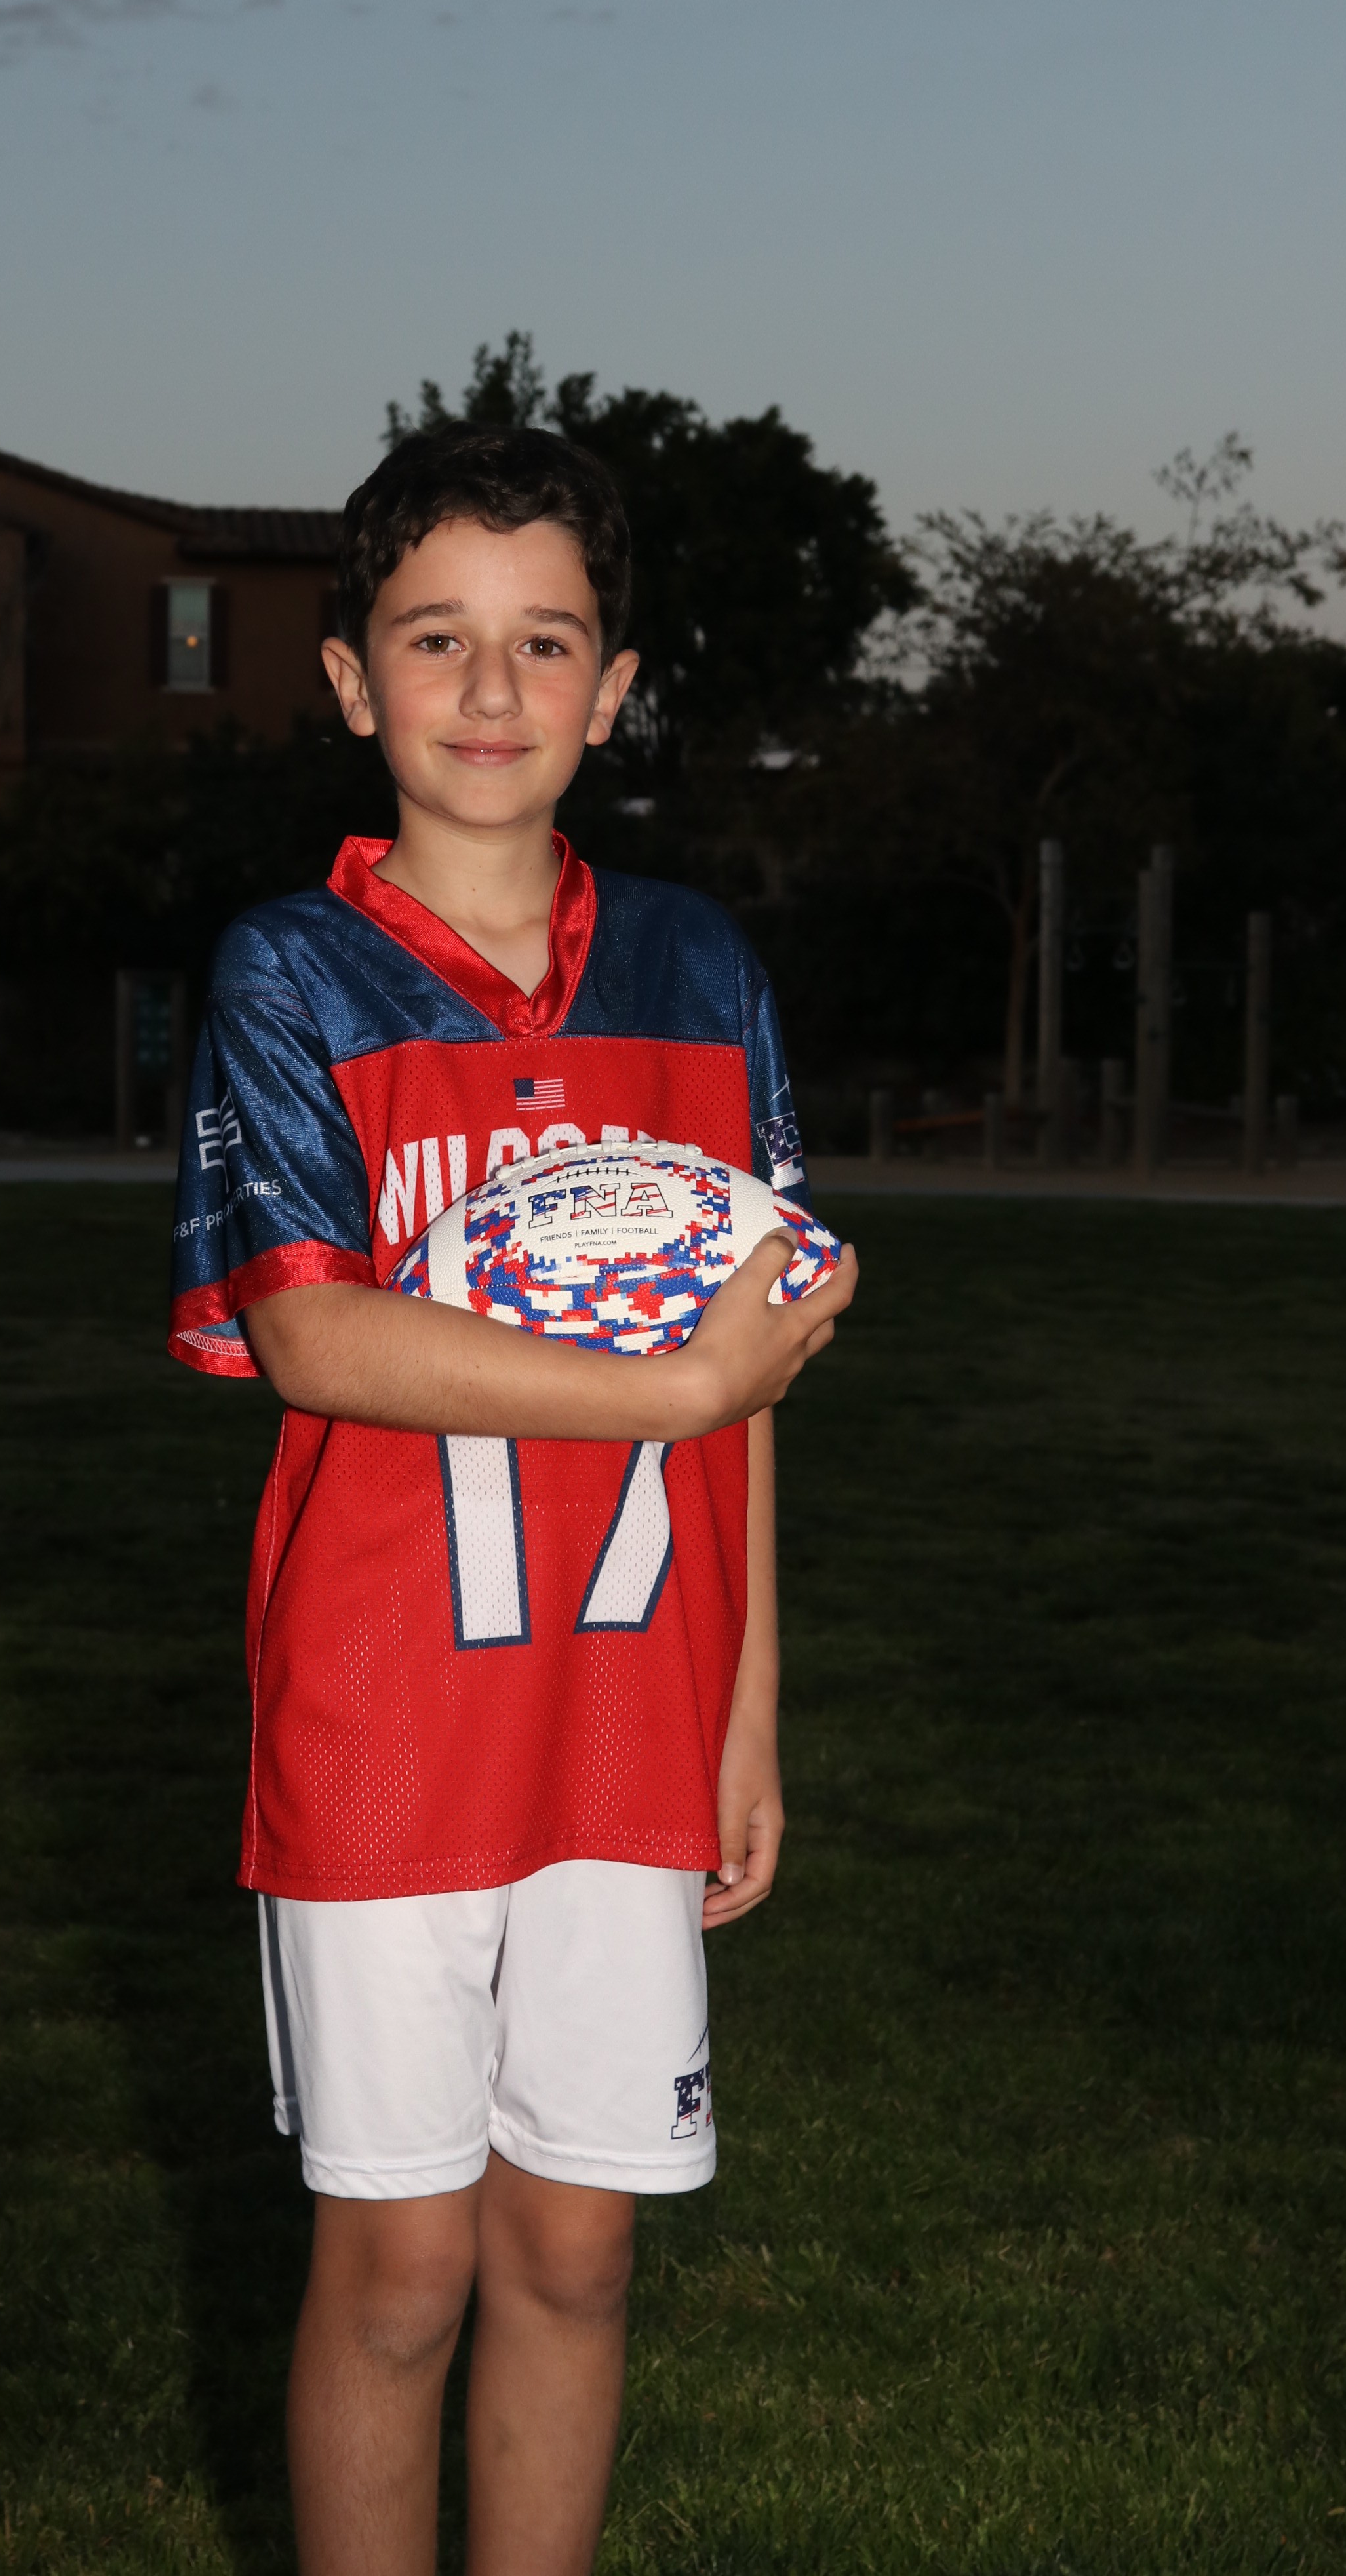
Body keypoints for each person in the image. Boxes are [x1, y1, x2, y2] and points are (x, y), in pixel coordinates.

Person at [168, 420, 857, 2576]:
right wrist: (669, 1384)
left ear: (616, 688)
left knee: (577, 2252)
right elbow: (318, 1340)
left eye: (545, 642)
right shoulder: (292, 973)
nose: (491, 690)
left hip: (633, 1709)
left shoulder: (698, 971)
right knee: (401, 2271)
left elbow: (750, 1370)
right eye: (436, 639)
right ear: (349, 679)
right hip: (388, 1715)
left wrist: (748, 1708)